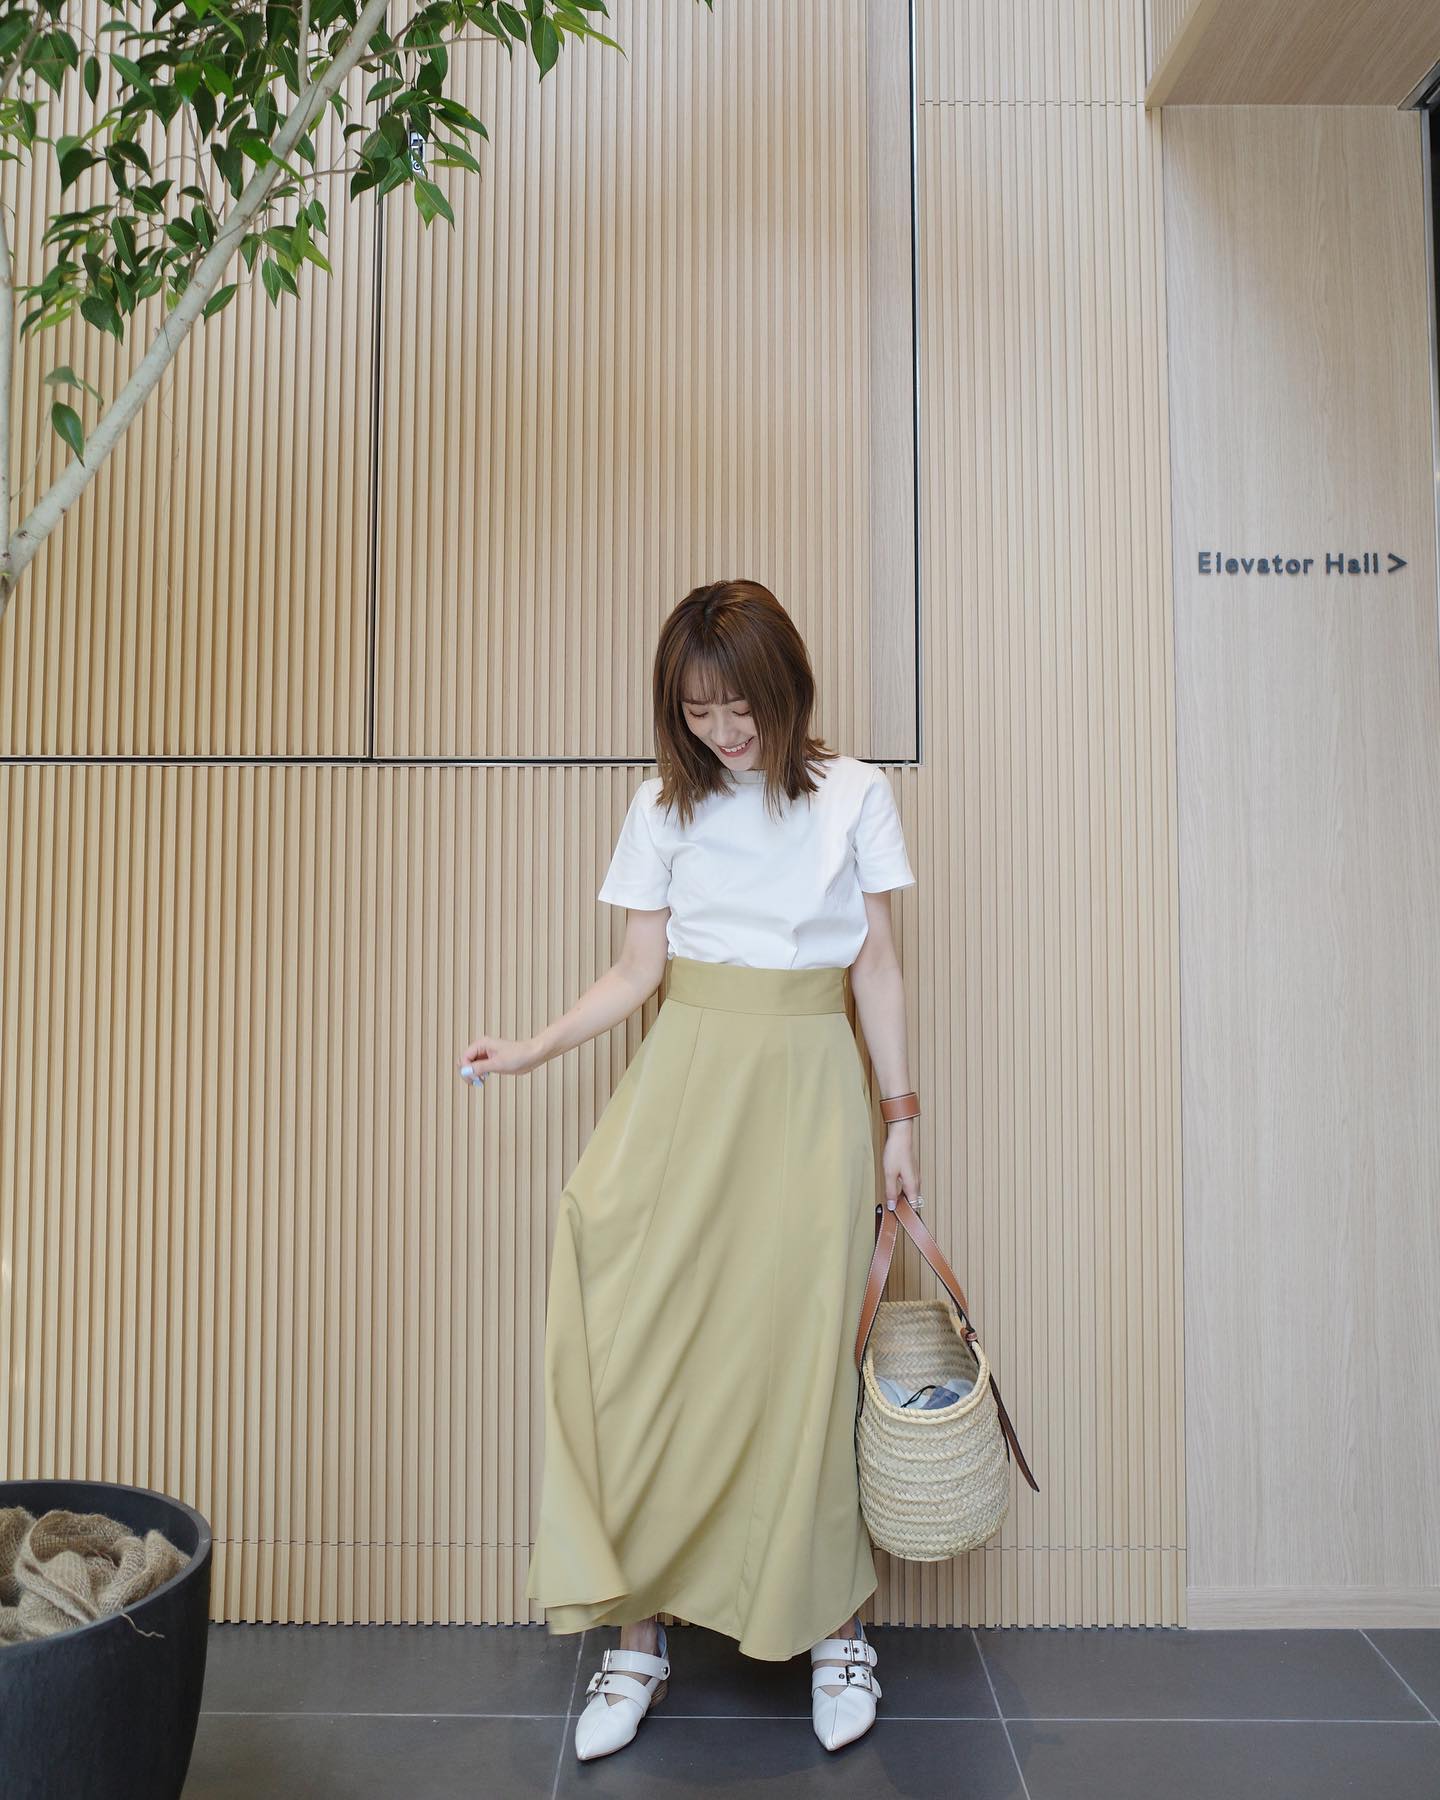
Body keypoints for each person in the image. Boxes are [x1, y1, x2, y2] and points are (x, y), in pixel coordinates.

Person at [457, 579, 921, 1761]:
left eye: (740, 705)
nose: (724, 730)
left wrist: (900, 1120)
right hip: (685, 1086)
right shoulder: (663, 804)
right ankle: (638, 1639)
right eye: (699, 710)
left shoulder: (856, 794)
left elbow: (876, 970)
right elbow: (637, 972)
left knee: (802, 1357)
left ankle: (835, 1633)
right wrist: (534, 1048)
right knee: (644, 1350)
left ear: (785, 685)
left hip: (809, 1089)